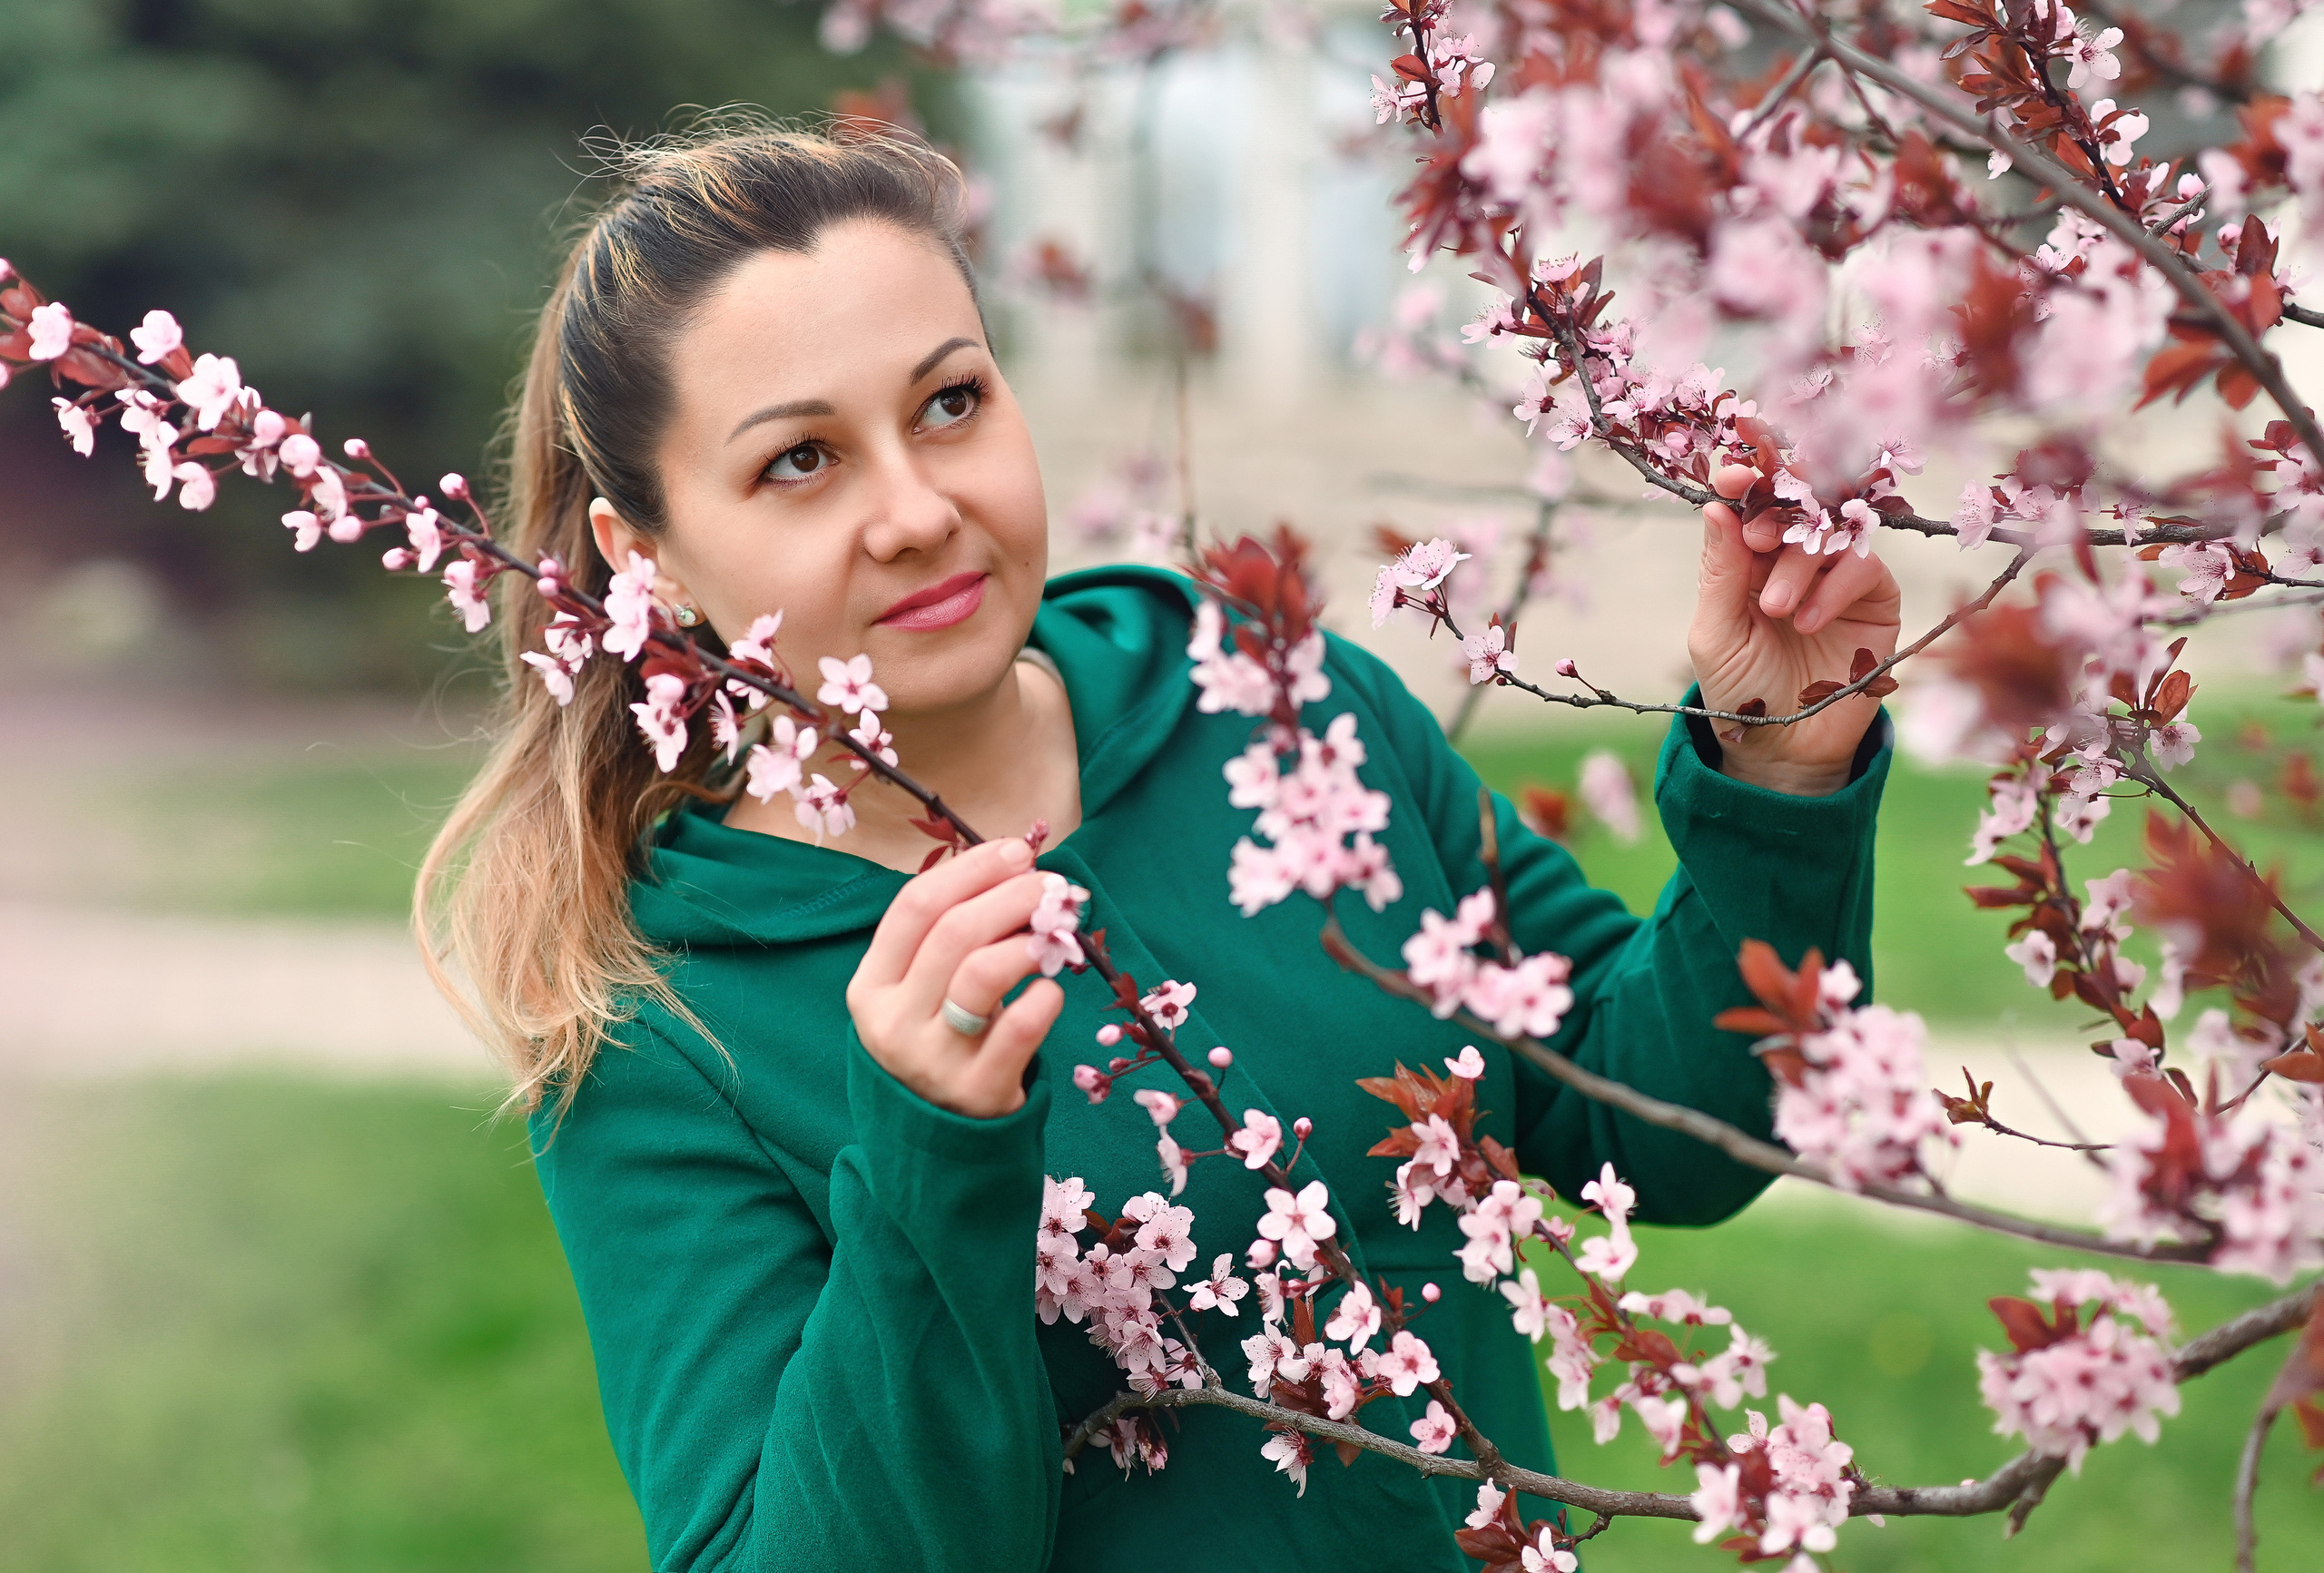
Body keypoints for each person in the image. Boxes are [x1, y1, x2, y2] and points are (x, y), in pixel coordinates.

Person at [419, 124, 1901, 1572]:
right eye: (801, 460)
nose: (917, 511)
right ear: (646, 559)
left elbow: (1660, 1117)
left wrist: (1779, 768)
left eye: (950, 403)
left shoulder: (1276, 704)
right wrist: (929, 1155)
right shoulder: (663, 1031)